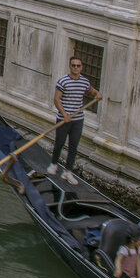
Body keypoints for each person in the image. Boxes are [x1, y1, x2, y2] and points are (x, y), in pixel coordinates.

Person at [48, 57, 102, 185]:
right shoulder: (63, 81)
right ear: (70, 66)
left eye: (78, 65)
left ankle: (67, 172)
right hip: (63, 119)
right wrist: (65, 114)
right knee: (59, 143)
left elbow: (92, 91)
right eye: (74, 65)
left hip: (78, 120)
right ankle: (54, 164)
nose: (76, 68)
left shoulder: (84, 82)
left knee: (73, 146)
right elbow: (56, 99)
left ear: (81, 67)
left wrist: (97, 94)